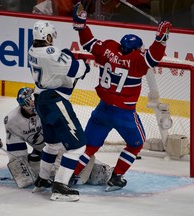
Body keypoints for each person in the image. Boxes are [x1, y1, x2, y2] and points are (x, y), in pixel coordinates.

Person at [72, 2, 172, 191]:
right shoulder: (136, 61)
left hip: (102, 109)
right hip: (124, 114)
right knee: (136, 144)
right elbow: (154, 56)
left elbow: (88, 42)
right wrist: (162, 38)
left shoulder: (108, 49)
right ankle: (116, 177)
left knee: (89, 147)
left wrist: (81, 26)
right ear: (135, 49)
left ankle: (69, 175)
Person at [28, 20, 90, 201]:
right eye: (51, 37)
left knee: (52, 145)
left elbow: (58, 69)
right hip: (55, 102)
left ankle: (42, 180)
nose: (52, 40)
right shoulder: (49, 53)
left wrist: (67, 59)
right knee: (78, 147)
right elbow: (74, 69)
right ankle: (60, 186)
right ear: (47, 37)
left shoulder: (32, 50)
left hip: (41, 101)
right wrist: (84, 66)